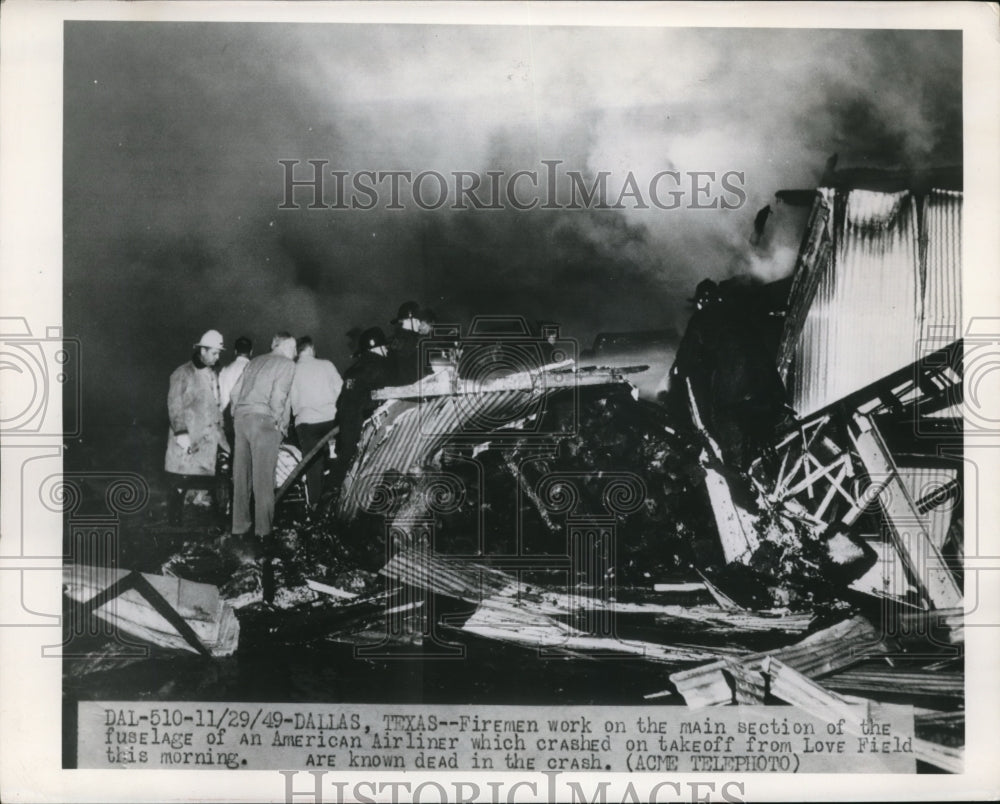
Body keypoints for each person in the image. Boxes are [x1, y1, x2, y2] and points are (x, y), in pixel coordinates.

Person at [229, 332, 296, 545]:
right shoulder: (286, 364)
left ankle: (239, 528)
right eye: (294, 348)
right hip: (264, 421)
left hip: (241, 419)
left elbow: (234, 392)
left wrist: (237, 415)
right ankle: (263, 534)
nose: (295, 353)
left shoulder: (255, 361)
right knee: (263, 480)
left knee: (241, 477)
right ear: (285, 345)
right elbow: (279, 396)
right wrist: (280, 425)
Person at [164, 329, 230, 527]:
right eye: (214, 352)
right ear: (202, 350)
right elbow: (174, 404)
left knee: (217, 482)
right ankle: (174, 527)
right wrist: (181, 432)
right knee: (180, 483)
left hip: (210, 439)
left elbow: (216, 405)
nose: (217, 356)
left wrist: (222, 433)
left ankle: (216, 526)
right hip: (189, 441)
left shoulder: (213, 374)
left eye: (219, 353)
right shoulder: (182, 373)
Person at [290, 335, 343, 507]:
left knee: (313, 467)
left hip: (306, 425)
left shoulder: (292, 370)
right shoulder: (327, 365)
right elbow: (341, 392)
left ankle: (314, 506)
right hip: (331, 422)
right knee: (337, 460)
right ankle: (338, 502)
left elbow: (290, 400)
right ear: (312, 348)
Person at [335, 326, 393, 481]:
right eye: (385, 347)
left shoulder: (352, 370)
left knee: (345, 465)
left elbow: (341, 402)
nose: (387, 350)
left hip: (347, 426)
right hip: (364, 426)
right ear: (377, 347)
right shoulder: (381, 366)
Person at [388, 300, 433, 386]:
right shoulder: (411, 341)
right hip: (412, 391)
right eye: (417, 321)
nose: (419, 324)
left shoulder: (397, 340)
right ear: (409, 321)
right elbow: (419, 371)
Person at [219, 336, 253, 414]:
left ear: (235, 351)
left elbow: (222, 397)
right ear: (251, 352)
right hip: (247, 416)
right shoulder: (255, 370)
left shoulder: (225, 370)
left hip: (227, 416)